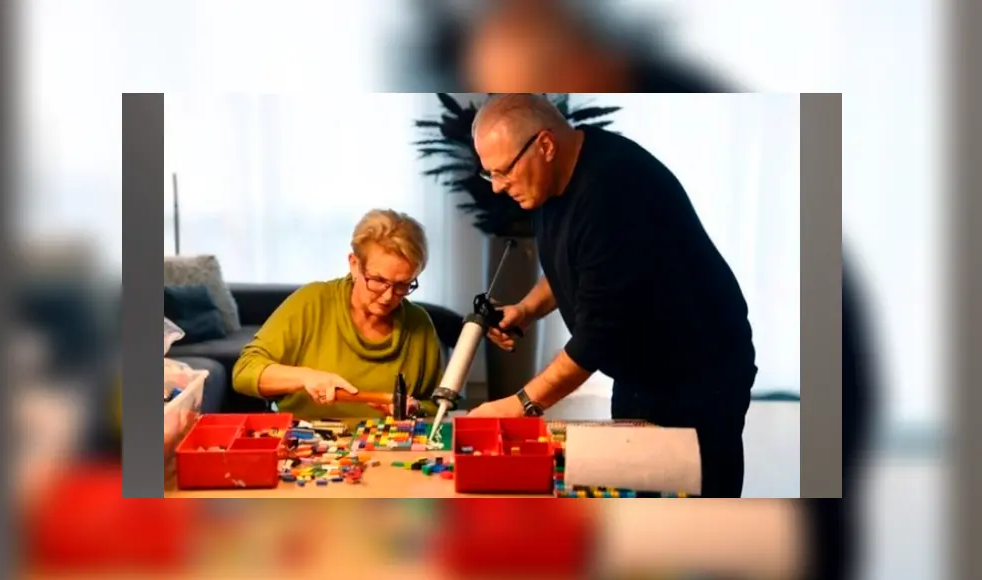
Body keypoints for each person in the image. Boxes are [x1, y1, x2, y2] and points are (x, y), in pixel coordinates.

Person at [467, 94, 757, 498]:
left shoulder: (614, 192)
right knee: (640, 494)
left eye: (503, 172)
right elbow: (574, 261)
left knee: (698, 510)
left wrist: (520, 404)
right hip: (641, 369)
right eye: (490, 175)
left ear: (545, 145)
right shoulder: (548, 180)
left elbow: (597, 339)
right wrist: (527, 309)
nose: (497, 187)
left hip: (701, 371)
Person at [232, 209, 444, 422]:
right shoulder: (312, 302)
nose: (388, 296)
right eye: (378, 280)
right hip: (308, 442)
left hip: (385, 447)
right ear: (354, 264)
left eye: (403, 284)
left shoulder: (419, 324)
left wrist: (415, 408)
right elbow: (244, 372)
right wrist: (306, 377)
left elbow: (438, 406)